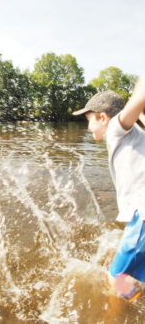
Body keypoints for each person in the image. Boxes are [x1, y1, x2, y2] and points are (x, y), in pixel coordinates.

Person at [73, 77, 145, 303]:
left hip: (143, 215)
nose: (88, 126)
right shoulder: (138, 132)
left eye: (89, 119)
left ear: (103, 117)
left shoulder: (115, 129)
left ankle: (122, 310)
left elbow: (138, 100)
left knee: (115, 277)